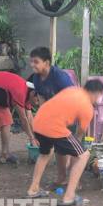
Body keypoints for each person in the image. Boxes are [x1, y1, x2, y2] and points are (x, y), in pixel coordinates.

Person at [27, 79, 103, 206]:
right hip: (54, 127)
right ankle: (69, 196)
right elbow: (79, 136)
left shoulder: (72, 90)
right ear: (96, 93)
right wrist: (75, 156)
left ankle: (33, 189)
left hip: (38, 123)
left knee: (46, 153)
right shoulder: (87, 107)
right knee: (84, 155)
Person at [30, 47, 75, 190]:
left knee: (74, 150)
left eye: (36, 62)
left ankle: (75, 181)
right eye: (31, 62)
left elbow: (72, 99)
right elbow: (42, 98)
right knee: (58, 150)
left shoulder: (60, 77)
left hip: (70, 115)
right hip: (53, 118)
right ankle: (62, 178)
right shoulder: (37, 77)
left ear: (47, 62)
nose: (33, 65)